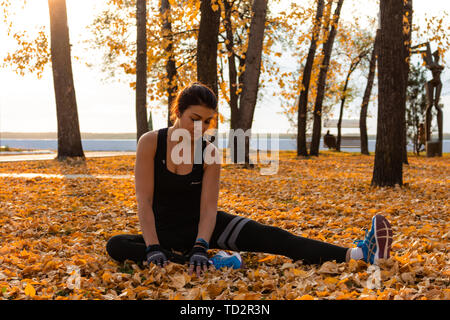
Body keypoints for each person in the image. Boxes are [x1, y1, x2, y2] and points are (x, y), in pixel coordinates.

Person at [106, 82, 393, 277]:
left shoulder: (210, 153)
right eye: (194, 118)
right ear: (178, 112)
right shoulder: (150, 143)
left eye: (207, 121)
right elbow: (143, 202)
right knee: (117, 245)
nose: (200, 127)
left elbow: (208, 209)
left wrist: (200, 245)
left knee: (275, 237)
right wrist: (154, 247)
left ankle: (358, 254)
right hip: (165, 232)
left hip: (205, 227)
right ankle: (210, 263)